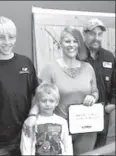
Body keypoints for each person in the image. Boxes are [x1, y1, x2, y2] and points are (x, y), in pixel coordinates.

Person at [23, 26, 99, 155]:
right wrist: (31, 116)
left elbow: (95, 92)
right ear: (60, 43)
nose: (72, 45)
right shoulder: (50, 68)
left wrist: (93, 97)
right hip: (57, 129)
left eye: (75, 41)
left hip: (86, 128)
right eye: (67, 41)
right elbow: (38, 98)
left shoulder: (88, 68)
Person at [0, 16, 38, 155]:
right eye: (1, 38)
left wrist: (33, 116)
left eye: (11, 37)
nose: (8, 42)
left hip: (26, 136)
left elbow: (37, 94)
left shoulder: (25, 62)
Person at [83, 18, 116, 147]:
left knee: (101, 147)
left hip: (104, 113)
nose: (96, 38)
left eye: (99, 34)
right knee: (85, 149)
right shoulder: (78, 57)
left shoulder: (109, 56)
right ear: (84, 34)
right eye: (92, 33)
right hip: (83, 113)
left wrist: (113, 103)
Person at [20, 82, 73, 155]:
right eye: (44, 101)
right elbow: (26, 145)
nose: (47, 104)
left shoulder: (62, 122)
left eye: (51, 101)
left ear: (56, 102)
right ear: (38, 102)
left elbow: (67, 145)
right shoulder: (32, 122)